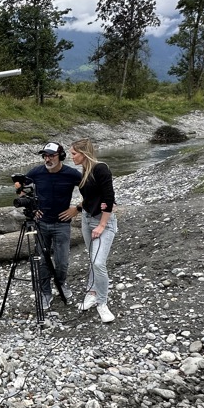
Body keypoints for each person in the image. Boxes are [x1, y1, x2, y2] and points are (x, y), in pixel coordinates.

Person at [25, 141, 82, 314]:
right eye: (45, 155)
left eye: (51, 155)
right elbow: (21, 188)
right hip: (41, 223)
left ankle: (61, 284)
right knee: (42, 260)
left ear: (61, 156)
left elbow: (91, 191)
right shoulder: (36, 172)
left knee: (62, 260)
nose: (47, 159)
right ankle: (45, 292)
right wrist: (32, 209)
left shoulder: (71, 174)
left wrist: (76, 209)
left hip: (62, 224)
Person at [68, 138, 117, 324]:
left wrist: (102, 225)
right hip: (87, 219)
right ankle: (92, 292)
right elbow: (91, 197)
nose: (72, 157)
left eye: (74, 154)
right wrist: (78, 208)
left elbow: (109, 198)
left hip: (102, 221)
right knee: (92, 258)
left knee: (98, 262)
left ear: (84, 153)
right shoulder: (84, 171)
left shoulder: (100, 168)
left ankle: (102, 303)